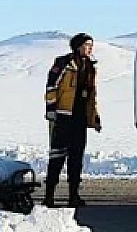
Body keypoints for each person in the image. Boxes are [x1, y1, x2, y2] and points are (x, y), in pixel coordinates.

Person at [43, 33, 101, 207]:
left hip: (80, 118)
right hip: (63, 116)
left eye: (91, 45)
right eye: (87, 45)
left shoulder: (90, 67)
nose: (90, 48)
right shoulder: (64, 64)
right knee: (57, 156)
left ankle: (73, 195)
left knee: (76, 157)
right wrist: (51, 109)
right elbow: (51, 86)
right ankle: (49, 196)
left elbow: (92, 96)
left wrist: (94, 117)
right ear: (77, 46)